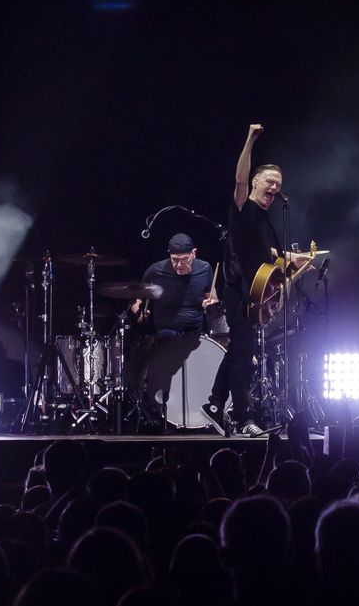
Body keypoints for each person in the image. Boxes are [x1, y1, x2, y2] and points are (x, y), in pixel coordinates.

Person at [206, 124, 306, 437]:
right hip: (239, 293)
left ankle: (214, 402)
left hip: (255, 296)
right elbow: (238, 178)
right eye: (270, 182)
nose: (275, 188)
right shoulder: (242, 208)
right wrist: (249, 139)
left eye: (279, 185)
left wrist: (293, 260)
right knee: (243, 357)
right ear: (256, 183)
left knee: (239, 350)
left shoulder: (265, 222)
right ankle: (241, 416)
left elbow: (267, 254)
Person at [128, 233, 216, 425]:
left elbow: (212, 297)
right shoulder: (155, 271)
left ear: (193, 254)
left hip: (195, 334)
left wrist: (210, 303)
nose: (178, 265)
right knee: (163, 341)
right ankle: (159, 409)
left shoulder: (206, 269)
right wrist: (139, 314)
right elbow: (136, 301)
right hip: (167, 333)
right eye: (174, 260)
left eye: (183, 260)